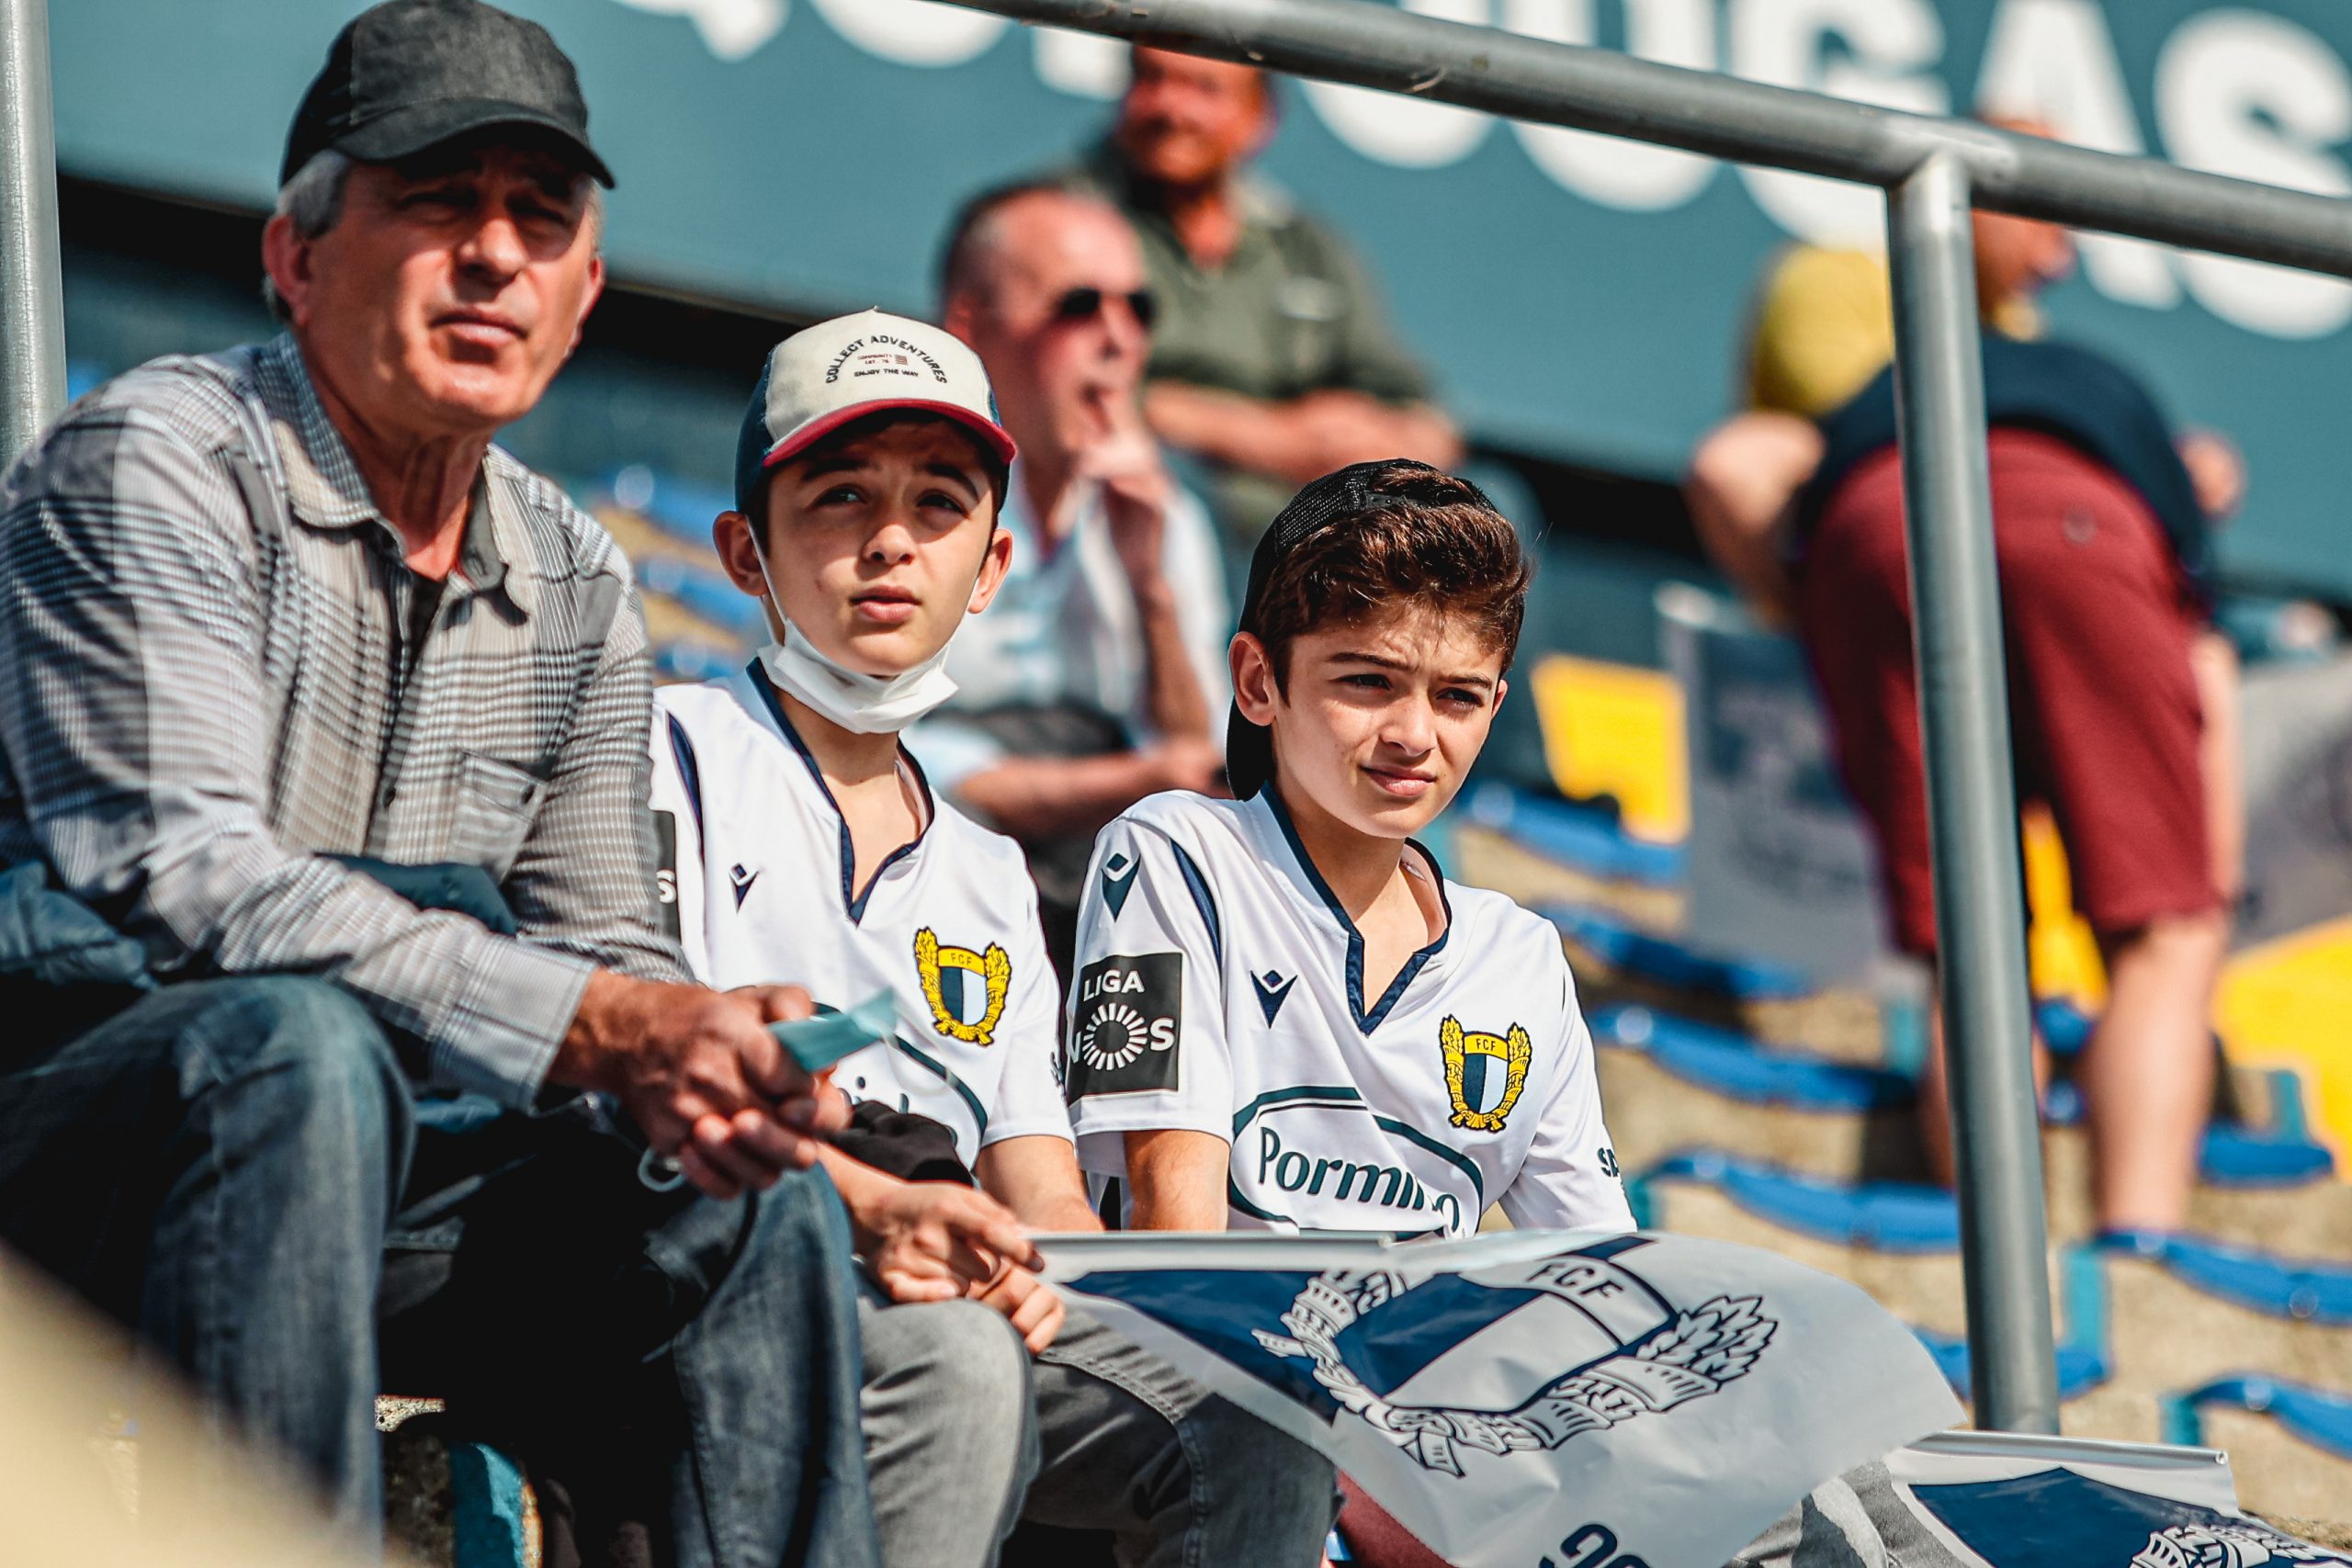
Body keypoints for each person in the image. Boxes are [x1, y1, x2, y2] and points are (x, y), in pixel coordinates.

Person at [0, 5, 880, 1562]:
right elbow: (182, 879)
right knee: (291, 1046)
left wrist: (696, 1061)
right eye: (434, 199)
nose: (493, 254)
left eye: (539, 220)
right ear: (295, 256)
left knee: (745, 1205)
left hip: (382, 1176)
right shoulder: (153, 456)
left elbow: (612, 939)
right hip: (73, 1145)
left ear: (584, 295)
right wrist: (604, 1025)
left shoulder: (579, 574)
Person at [655, 310, 1339, 1568]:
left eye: (939, 501)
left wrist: (1031, 1272)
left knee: (1258, 1409)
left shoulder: (986, 873)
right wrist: (887, 1221)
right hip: (735, 1260)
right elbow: (651, 1101)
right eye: (840, 493)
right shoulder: (673, 750)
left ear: (992, 567)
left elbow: (1044, 1193)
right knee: (966, 1360)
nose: (891, 539)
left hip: (944, 1290)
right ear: (745, 552)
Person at [1064, 459, 1633, 1240]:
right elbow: (1172, 1232)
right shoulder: (1173, 854)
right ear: (1258, 681)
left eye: (1458, 696)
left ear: (1497, 707)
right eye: (1368, 681)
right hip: (1187, 1354)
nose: (1413, 736)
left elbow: (1599, 1272)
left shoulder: (1524, 959)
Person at [1787, 335, 2231, 1234]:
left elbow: (1738, 469)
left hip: (1868, 532)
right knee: (2162, 942)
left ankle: (1990, 1267)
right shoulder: (2115, 406)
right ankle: (2136, 1254)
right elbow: (2205, 666)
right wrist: (2201, 890)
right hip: (2074, 524)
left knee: (1973, 949)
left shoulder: (1889, 378)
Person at [923, 181, 1231, 975]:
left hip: (1101, 873)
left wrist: (1149, 584)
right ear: (970, 326)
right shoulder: (898, 500)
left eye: (1139, 309)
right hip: (928, 852)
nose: (1118, 338)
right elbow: (865, 746)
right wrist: (1131, 780)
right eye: (1079, 306)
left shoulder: (1168, 516)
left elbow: (1200, 756)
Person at [1066, 48, 1462, 539]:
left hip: (1317, 514)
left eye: (1204, 88)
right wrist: (1270, 437)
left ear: (1260, 118)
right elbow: (1064, 390)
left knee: (1486, 501)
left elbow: (1420, 408)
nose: (1171, 108)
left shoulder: (1306, 246)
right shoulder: (1067, 222)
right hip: (1163, 492)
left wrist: (1391, 444)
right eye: (1151, 79)